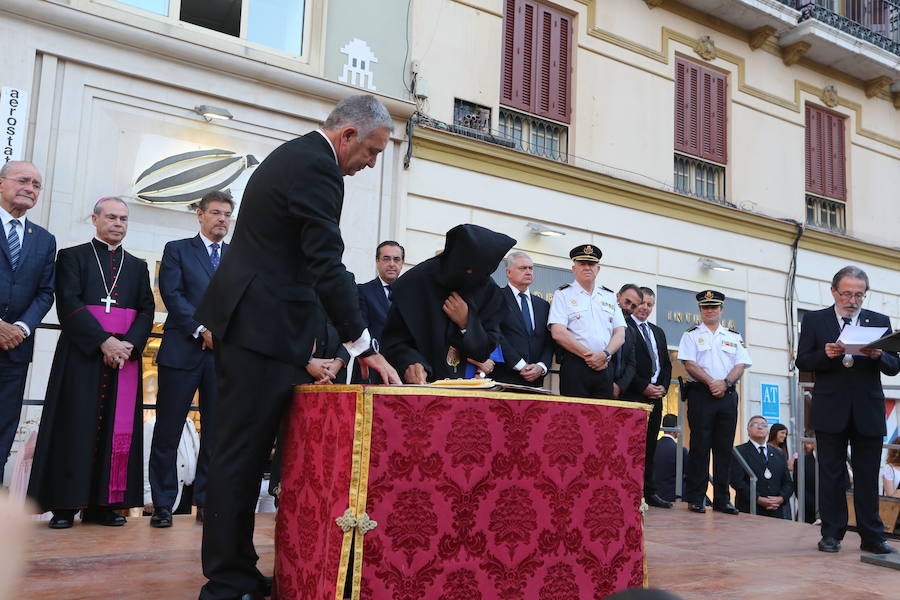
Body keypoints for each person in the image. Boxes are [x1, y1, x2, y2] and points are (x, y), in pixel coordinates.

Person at [193, 94, 400, 600]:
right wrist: (362, 344)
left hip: (260, 327)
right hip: (259, 329)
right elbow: (324, 261)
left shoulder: (299, 155)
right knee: (239, 455)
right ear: (348, 135)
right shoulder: (316, 166)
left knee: (242, 453)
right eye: (372, 151)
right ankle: (225, 583)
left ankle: (236, 568)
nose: (372, 164)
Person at [28, 196, 155, 528]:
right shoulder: (72, 257)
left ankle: (104, 506)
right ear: (95, 219)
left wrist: (127, 344)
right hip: (82, 355)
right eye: (111, 217)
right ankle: (65, 506)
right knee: (74, 425)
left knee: (118, 428)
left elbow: (146, 310)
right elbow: (68, 303)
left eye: (123, 219)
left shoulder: (138, 266)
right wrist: (103, 341)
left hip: (123, 359)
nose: (117, 224)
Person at [796, 265, 899, 554]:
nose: (852, 300)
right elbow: (802, 361)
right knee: (831, 474)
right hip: (830, 408)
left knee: (868, 475)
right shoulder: (816, 321)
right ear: (833, 292)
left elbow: (894, 366)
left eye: (859, 295)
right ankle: (831, 533)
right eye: (847, 294)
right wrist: (825, 355)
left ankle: (872, 535)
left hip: (868, 408)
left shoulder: (878, 320)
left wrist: (879, 355)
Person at [149, 190, 233, 528]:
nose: (222, 220)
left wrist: (224, 335)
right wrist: (201, 330)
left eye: (227, 214)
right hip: (183, 351)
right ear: (200, 215)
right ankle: (163, 504)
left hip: (222, 357)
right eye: (215, 213)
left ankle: (206, 501)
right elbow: (172, 294)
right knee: (168, 431)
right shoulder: (178, 250)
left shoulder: (237, 257)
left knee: (216, 432)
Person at [381, 223, 515, 383]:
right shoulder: (415, 283)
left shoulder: (487, 290)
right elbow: (393, 341)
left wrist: (466, 322)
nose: (471, 277)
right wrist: (410, 362)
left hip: (464, 388)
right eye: (467, 270)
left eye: (479, 273)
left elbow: (483, 350)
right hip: (415, 388)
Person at [0, 161, 55, 484]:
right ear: (1, 184)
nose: (30, 189)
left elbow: (45, 293)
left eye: (36, 185)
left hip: (16, 351)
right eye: (23, 180)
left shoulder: (44, 240)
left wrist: (20, 328)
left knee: (5, 426)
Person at [677, 289, 751, 515]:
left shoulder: (733, 336)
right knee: (700, 447)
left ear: (721, 310)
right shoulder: (690, 334)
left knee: (724, 449)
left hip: (727, 396)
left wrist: (725, 383)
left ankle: (722, 499)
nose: (710, 310)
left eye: (714, 307)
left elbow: (740, 365)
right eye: (706, 307)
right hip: (701, 394)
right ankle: (696, 497)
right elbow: (689, 364)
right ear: (700, 310)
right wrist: (711, 382)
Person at [548, 244, 625, 399]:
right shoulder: (563, 294)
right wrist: (590, 357)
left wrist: (604, 354)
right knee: (574, 419)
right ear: (573, 268)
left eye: (591, 264)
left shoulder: (609, 296)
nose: (587, 268)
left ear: (598, 269)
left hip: (604, 366)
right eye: (582, 264)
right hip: (576, 366)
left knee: (602, 419)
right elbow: (558, 333)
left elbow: (620, 333)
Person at [629, 286, 673, 508]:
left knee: (650, 446)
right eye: (642, 303)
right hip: (633, 396)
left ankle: (649, 491)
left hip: (656, 398)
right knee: (630, 447)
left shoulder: (658, 331)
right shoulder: (624, 327)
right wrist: (643, 386)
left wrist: (663, 387)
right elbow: (626, 365)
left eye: (650, 305)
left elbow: (666, 364)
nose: (645, 308)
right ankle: (631, 491)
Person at [492, 251, 553, 387]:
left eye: (531, 268)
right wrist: (520, 365)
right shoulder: (496, 298)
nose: (528, 272)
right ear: (508, 272)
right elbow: (496, 335)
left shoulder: (542, 305)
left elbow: (549, 341)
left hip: (536, 381)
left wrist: (541, 366)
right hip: (505, 378)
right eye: (522, 268)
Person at [355, 240, 404, 383]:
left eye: (396, 259)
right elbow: (359, 330)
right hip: (371, 370)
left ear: (402, 263)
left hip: (401, 371)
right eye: (386, 258)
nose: (392, 264)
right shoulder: (362, 291)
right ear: (377, 261)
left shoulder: (410, 294)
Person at [730, 416, 793, 518]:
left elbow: (788, 482)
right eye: (755, 424)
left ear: (768, 430)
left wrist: (781, 498)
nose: (760, 427)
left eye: (763, 425)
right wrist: (758, 499)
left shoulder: (778, 453)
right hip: (750, 510)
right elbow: (736, 481)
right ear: (748, 430)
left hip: (776, 511)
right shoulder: (739, 451)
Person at [611, 284, 639, 400]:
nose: (628, 308)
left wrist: (620, 386)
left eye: (633, 306)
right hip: (600, 383)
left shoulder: (631, 331)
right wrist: (609, 383)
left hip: (619, 392)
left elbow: (631, 364)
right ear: (618, 296)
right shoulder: (604, 322)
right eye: (627, 302)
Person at [653, 413, 688, 503]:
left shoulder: (652, 447)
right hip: (673, 495)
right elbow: (688, 472)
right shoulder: (680, 450)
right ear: (675, 428)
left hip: (655, 493)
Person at [795, 435, 819, 524]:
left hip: (833, 514)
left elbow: (845, 484)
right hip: (808, 514)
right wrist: (817, 508)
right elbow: (798, 488)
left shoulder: (835, 461)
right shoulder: (801, 462)